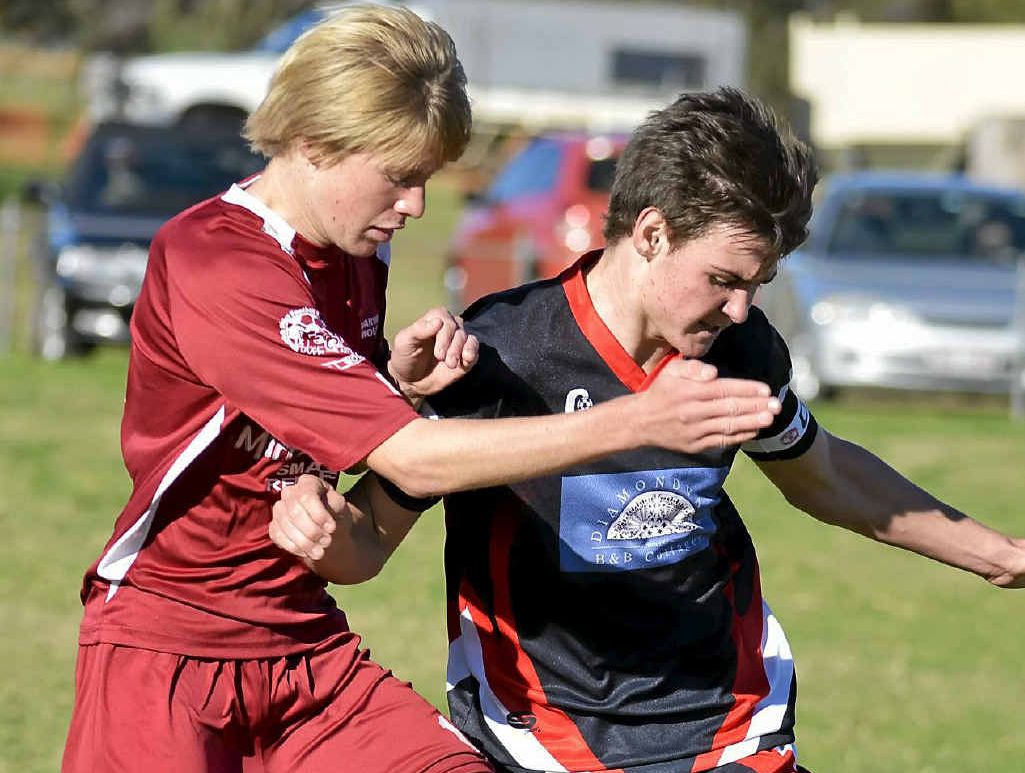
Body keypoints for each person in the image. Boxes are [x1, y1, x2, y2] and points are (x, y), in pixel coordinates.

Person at [61, 9, 783, 773]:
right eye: (399, 176)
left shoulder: (352, 254)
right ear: (312, 141)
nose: (414, 205)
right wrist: (634, 420)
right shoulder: (216, 260)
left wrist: (395, 384)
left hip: (302, 642)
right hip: (166, 644)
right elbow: (409, 460)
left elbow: (324, 418)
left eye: (425, 178)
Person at [272, 88, 1025, 773]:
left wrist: (1001, 556)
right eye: (723, 280)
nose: (738, 309)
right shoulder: (500, 353)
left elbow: (823, 473)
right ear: (653, 233)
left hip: (727, 722)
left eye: (756, 285)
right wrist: (322, 528)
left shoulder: (741, 349)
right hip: (537, 733)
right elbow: (366, 544)